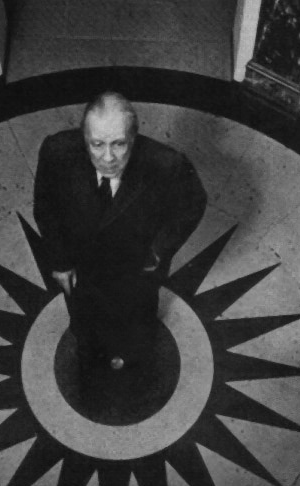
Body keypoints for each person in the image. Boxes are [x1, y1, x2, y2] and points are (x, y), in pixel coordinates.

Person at [33, 92, 207, 376]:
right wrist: (60, 262)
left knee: (137, 323)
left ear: (133, 138)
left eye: (119, 144)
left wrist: (158, 250)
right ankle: (88, 356)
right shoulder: (57, 153)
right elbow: (45, 207)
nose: (108, 157)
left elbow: (194, 203)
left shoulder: (167, 164)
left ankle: (136, 360)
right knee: (84, 321)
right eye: (97, 144)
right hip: (81, 270)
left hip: (136, 272)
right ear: (84, 138)